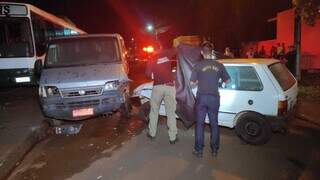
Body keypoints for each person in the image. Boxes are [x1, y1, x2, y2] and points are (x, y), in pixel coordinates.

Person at [190, 42, 230, 157]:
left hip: (201, 98)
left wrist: (199, 81)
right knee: (214, 124)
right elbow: (228, 81)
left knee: (199, 124)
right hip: (214, 98)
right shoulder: (219, 65)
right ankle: (214, 150)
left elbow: (192, 83)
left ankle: (198, 150)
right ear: (212, 52)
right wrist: (219, 82)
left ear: (202, 53)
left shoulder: (198, 66)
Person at [145, 43, 178, 144]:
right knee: (171, 112)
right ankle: (172, 137)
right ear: (161, 47)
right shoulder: (167, 53)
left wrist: (153, 71)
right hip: (170, 87)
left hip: (158, 87)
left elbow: (147, 74)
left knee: (154, 111)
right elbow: (177, 50)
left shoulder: (151, 58)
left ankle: (152, 133)